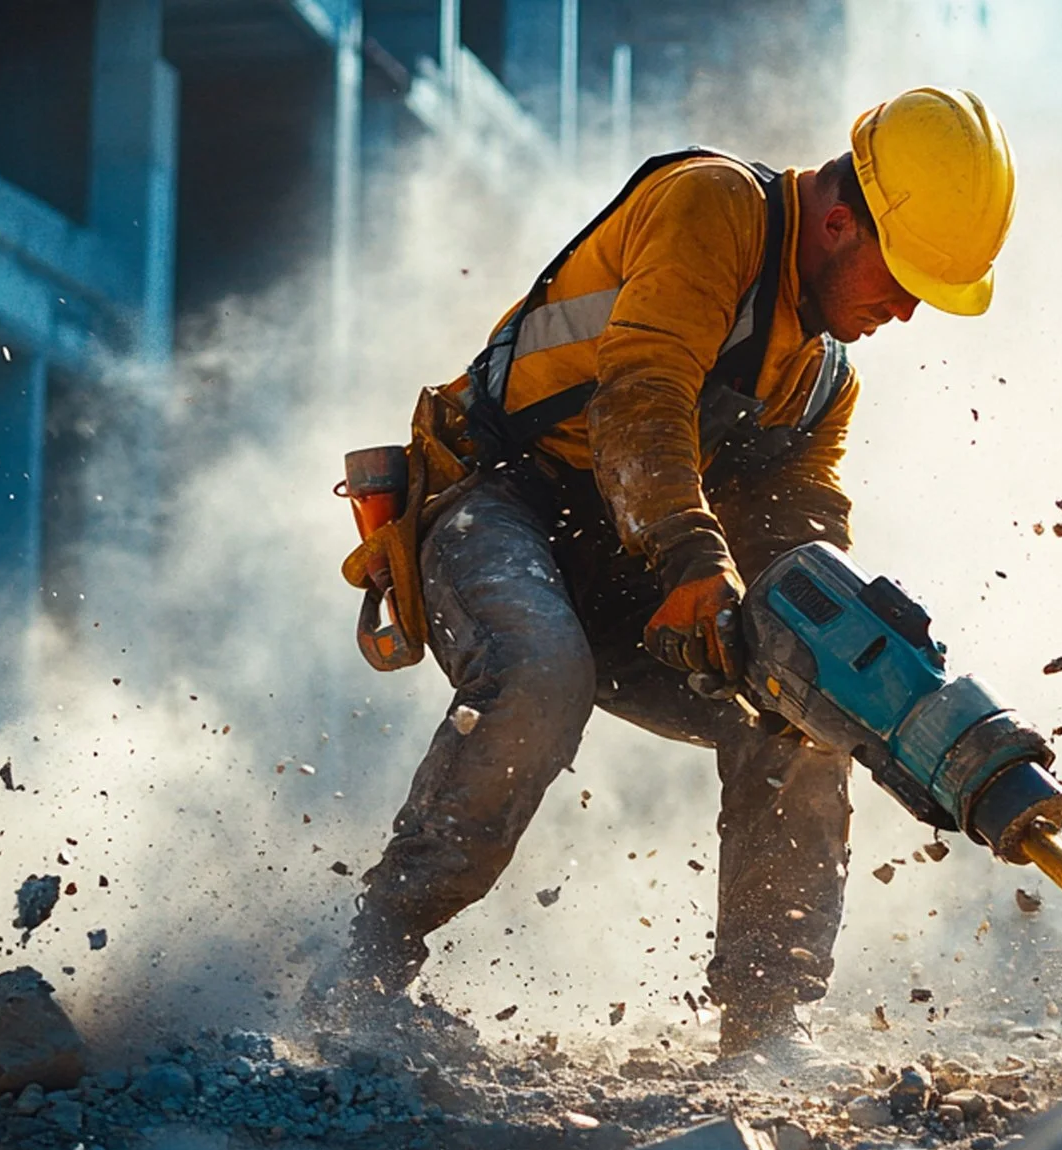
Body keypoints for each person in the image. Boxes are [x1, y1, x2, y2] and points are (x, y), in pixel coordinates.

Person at [312, 87, 1018, 1058]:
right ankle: (361, 973)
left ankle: (762, 1027)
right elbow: (640, 398)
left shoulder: (823, 376)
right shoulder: (714, 207)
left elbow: (795, 515)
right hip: (499, 502)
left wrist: (835, 624)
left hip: (633, 559)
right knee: (539, 672)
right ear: (838, 220)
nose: (903, 309)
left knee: (807, 712)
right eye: (899, 277)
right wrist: (692, 558)